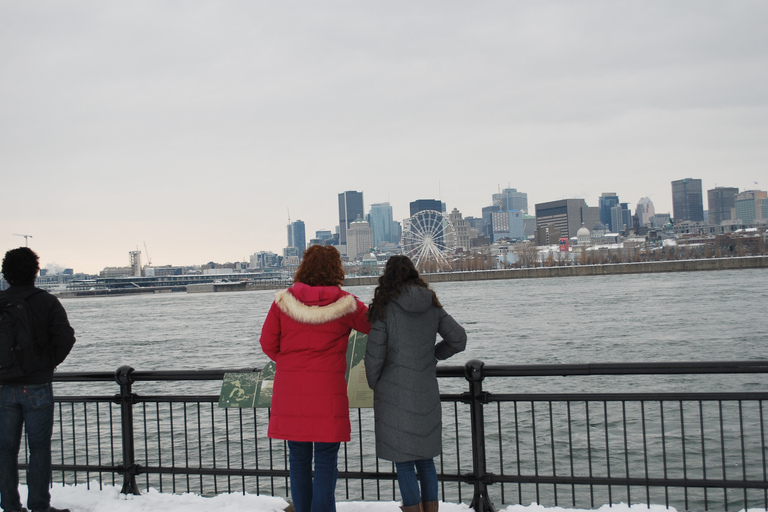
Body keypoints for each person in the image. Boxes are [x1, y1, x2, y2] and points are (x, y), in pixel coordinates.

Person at [259, 245, 370, 512]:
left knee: (297, 457)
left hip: (291, 391)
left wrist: (288, 363)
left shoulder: (282, 302)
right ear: (336, 268)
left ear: (304, 267)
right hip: (327, 392)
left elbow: (267, 343)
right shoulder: (347, 304)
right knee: (325, 458)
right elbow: (375, 325)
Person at [364, 256, 466, 512]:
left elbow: (374, 355)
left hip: (393, 391)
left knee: (404, 462)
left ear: (387, 277)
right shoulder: (431, 304)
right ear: (414, 273)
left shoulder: (385, 307)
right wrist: (433, 355)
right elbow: (458, 340)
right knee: (426, 460)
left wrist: (375, 382)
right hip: (425, 388)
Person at [0, 248, 76, 512]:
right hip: (38, 386)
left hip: (4, 386)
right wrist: (46, 364)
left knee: (5, 450)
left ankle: (9, 506)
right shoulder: (47, 302)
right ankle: (40, 506)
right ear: (35, 271)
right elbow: (66, 338)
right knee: (39, 449)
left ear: (5, 273)